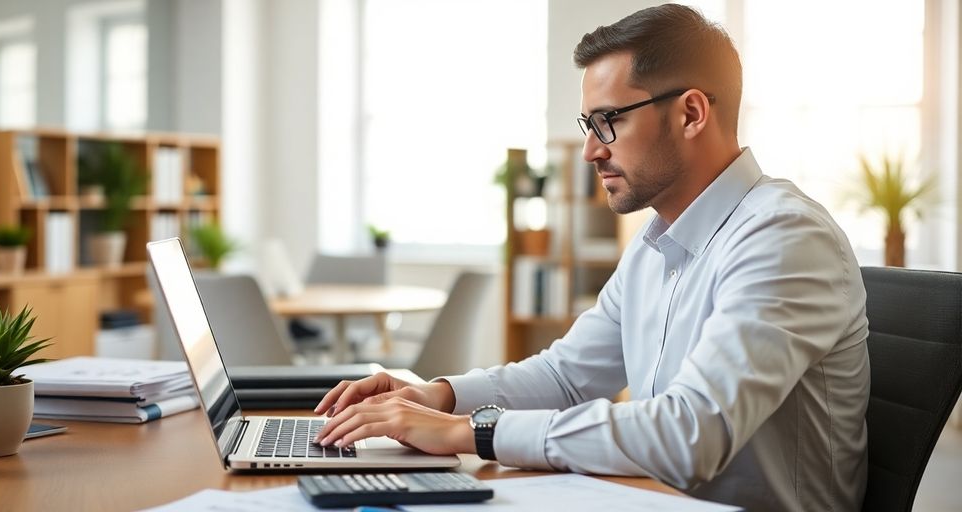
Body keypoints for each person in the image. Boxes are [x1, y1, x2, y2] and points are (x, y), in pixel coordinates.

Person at [314, 4, 869, 511]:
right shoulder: (656, 244)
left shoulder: (783, 235)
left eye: (609, 121)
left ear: (692, 112)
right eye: (588, 125)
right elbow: (569, 375)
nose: (590, 150)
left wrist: (472, 432)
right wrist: (441, 396)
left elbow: (689, 435)